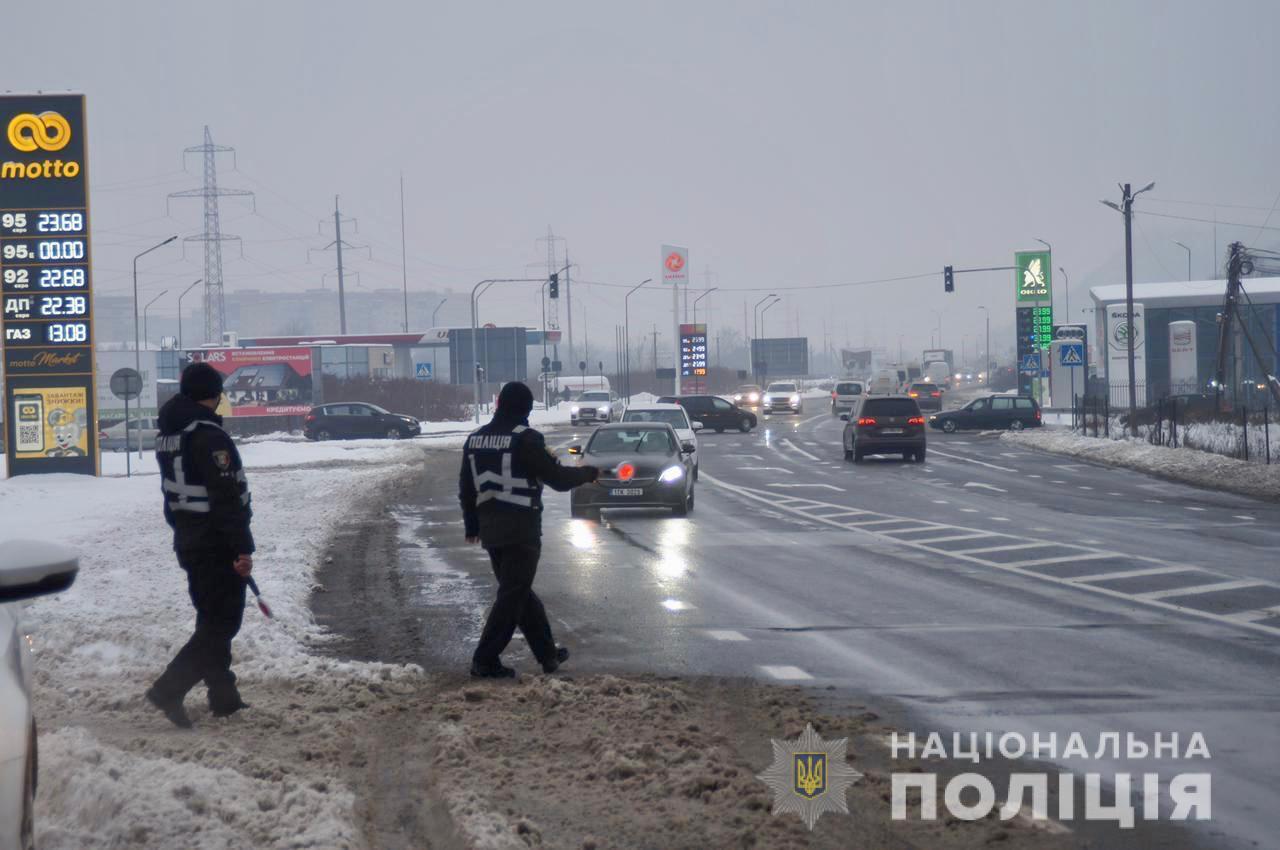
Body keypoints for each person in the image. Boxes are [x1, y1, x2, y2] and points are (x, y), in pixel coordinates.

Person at [460, 381, 599, 678]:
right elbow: (558, 478)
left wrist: (472, 525)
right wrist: (587, 473)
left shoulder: (474, 439)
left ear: (499, 406)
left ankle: (548, 655)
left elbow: (466, 488)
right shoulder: (526, 440)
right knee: (512, 596)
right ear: (525, 409)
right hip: (521, 530)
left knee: (518, 592)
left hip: (491, 532)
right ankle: (484, 659)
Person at [145, 362, 255, 728]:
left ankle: (224, 697)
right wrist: (242, 549)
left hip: (190, 539)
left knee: (211, 620)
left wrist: (183, 530)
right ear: (214, 395)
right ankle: (168, 689)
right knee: (222, 623)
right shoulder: (208, 436)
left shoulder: (170, 434)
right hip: (215, 543)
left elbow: (172, 494)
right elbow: (225, 497)